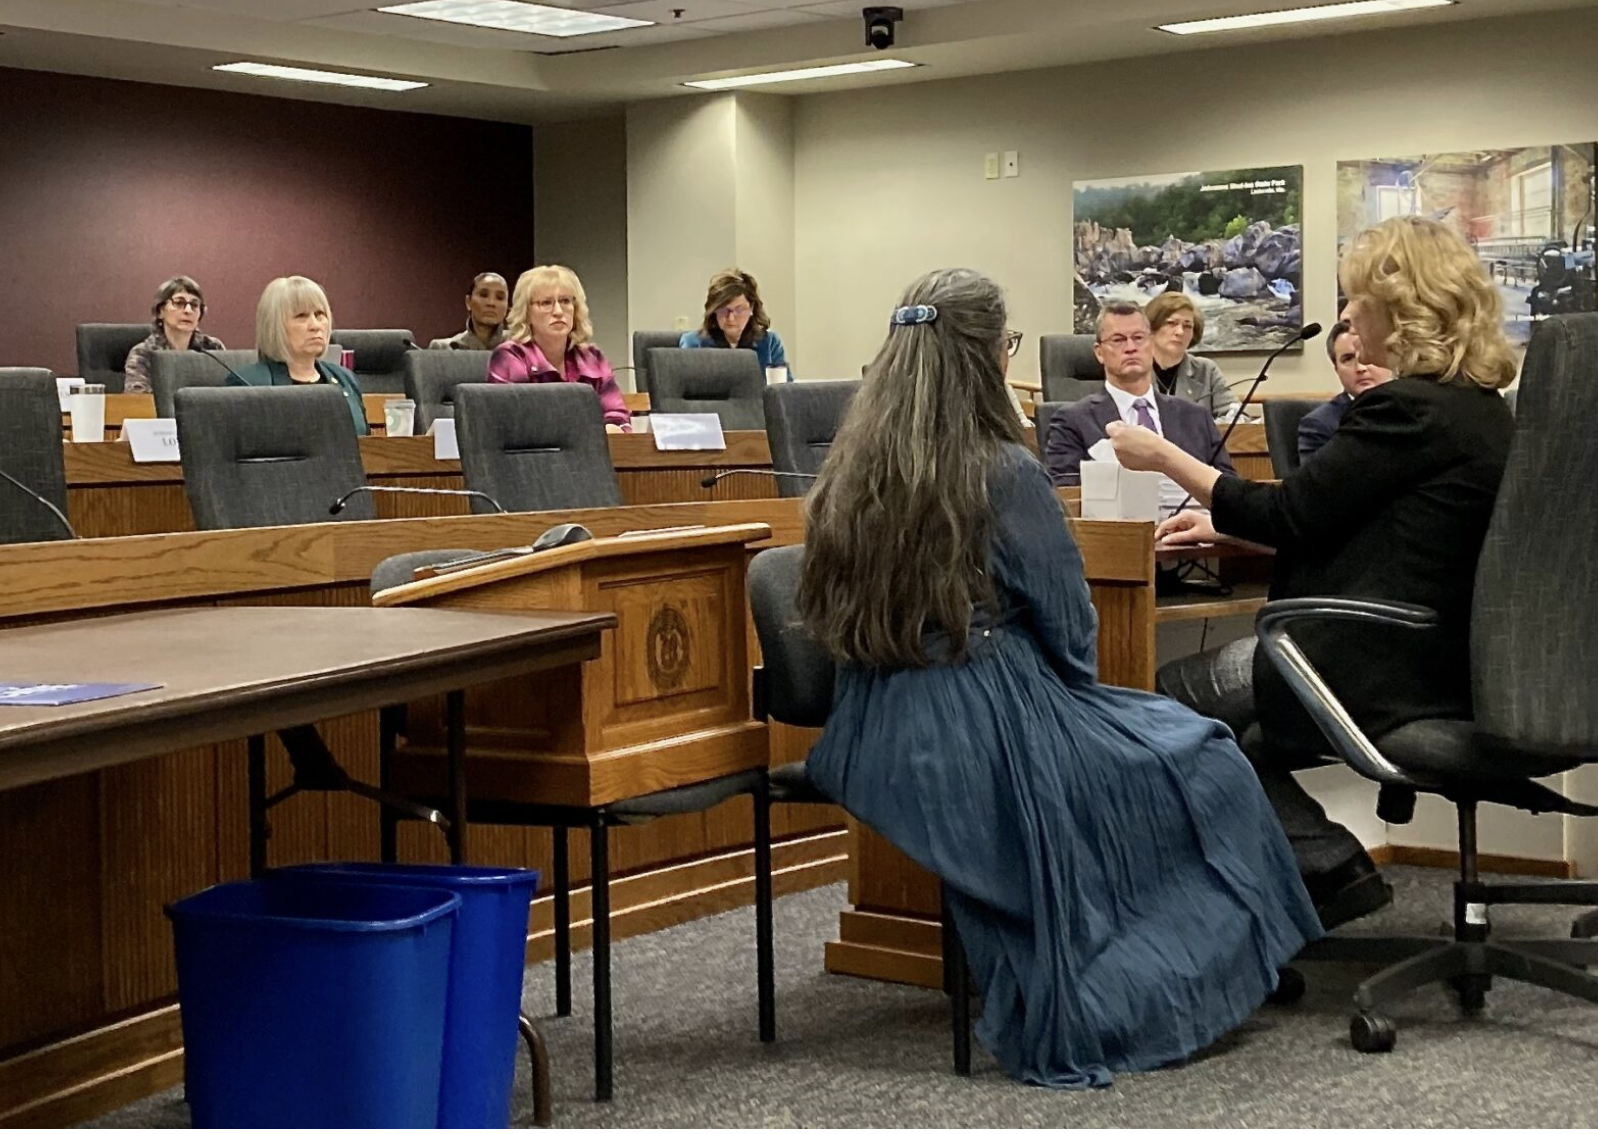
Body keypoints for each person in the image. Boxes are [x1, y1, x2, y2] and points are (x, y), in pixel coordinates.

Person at [796, 267, 1320, 1089]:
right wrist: (1073, 699)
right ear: (982, 357)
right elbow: (1071, 631)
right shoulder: (1001, 469)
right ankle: (1201, 964)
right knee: (1203, 751)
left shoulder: (847, 470)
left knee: (1153, 746)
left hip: (871, 728)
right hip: (984, 716)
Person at [1109, 216, 1517, 928]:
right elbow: (1368, 525)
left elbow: (1290, 514)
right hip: (1445, 659)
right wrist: (1229, 519)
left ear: (1404, 307)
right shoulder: (1478, 412)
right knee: (1243, 741)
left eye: (1359, 299)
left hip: (1369, 661)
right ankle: (1323, 871)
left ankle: (1324, 866)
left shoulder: (1405, 409)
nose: (1350, 317)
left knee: (1155, 701)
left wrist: (1167, 458)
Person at [1042, 301, 1235, 490]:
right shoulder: (1072, 421)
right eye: (1118, 340)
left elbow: (1227, 490)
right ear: (1099, 353)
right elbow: (1065, 494)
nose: (1130, 347)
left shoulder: (1196, 417)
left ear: (1151, 344)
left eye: (1139, 338)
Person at [488, 265, 630, 432]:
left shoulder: (593, 358)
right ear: (527, 312)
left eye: (565, 301)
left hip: (592, 454)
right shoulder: (511, 357)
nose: (558, 311)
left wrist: (615, 428)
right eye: (546, 303)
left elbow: (618, 417)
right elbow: (521, 424)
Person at [229, 276, 367, 436]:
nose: (315, 325)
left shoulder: (345, 378)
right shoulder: (248, 384)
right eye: (301, 316)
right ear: (275, 325)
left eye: (320, 314)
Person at [1298, 317, 1394, 462]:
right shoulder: (1319, 425)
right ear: (1336, 369)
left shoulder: (1415, 409)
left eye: (1367, 355)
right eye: (1348, 359)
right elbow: (1317, 483)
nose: (1361, 368)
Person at [122, 276, 226, 394]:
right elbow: (138, 402)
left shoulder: (212, 348)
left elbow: (226, 395)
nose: (188, 310)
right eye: (179, 303)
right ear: (161, 311)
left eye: (194, 305)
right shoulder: (144, 354)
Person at [679, 268, 791, 377]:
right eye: (724, 310)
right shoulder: (693, 343)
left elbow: (784, 391)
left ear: (752, 308)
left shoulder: (770, 342)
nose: (731, 318)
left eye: (739, 310)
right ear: (714, 311)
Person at [1144, 292, 1238, 418]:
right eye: (1171, 323)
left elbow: (1236, 416)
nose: (1180, 332)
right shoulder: (1132, 368)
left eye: (1187, 326)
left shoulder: (1206, 370)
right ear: (1152, 327)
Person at [428, 272, 509, 351]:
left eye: (500, 297)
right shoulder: (445, 349)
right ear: (468, 302)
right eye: (483, 295)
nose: (491, 303)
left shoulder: (519, 346)